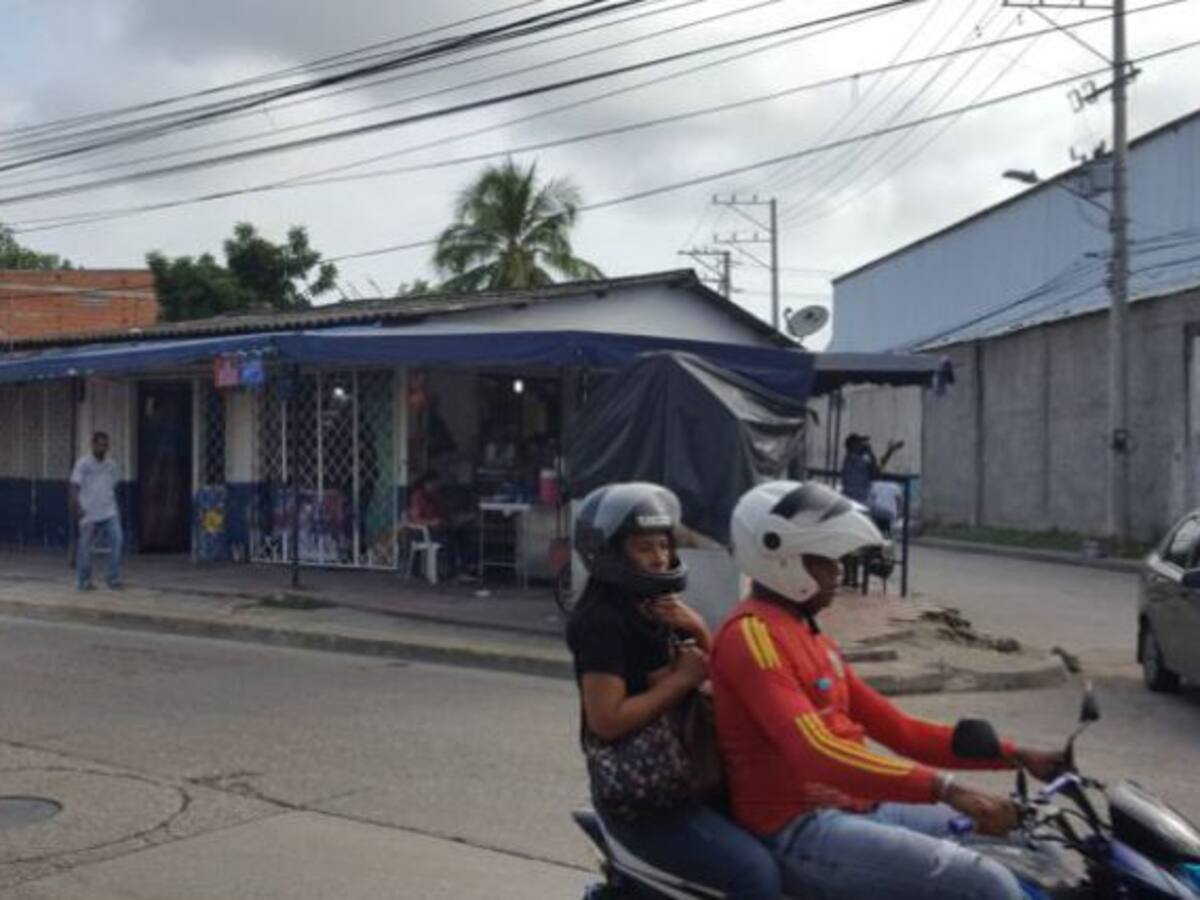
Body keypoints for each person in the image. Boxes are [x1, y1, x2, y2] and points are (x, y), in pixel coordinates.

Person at [711, 480, 1066, 900]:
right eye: (825, 560)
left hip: (859, 805)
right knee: (987, 884)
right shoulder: (752, 639)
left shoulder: (808, 634)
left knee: (1034, 842)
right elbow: (816, 752)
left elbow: (898, 729)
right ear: (782, 559)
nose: (838, 572)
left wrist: (1016, 755)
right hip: (801, 828)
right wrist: (949, 790)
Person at [566, 482, 781, 900]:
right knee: (756, 877)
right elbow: (607, 720)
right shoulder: (602, 621)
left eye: (663, 545)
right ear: (609, 551)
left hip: (689, 776)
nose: (660, 557)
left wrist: (698, 629)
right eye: (644, 547)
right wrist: (681, 679)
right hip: (644, 797)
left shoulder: (655, 607)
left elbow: (718, 679)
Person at [70, 431, 123, 591]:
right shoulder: (83, 464)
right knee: (85, 546)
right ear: (93, 444)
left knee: (118, 540)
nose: (104, 448)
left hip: (109, 511)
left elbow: (115, 484)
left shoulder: (111, 464)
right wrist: (78, 507)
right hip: (89, 512)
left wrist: (113, 504)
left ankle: (112, 577)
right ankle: (83, 580)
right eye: (101, 445)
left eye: (106, 445)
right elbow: (74, 486)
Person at [407, 469, 474, 577]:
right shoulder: (417, 496)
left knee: (463, 534)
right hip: (425, 533)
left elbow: (445, 514)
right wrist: (431, 522)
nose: (436, 486)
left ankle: (464, 568)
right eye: (433, 483)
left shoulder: (436, 496)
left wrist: (460, 519)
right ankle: (450, 570)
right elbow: (415, 519)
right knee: (449, 540)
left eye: (437, 484)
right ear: (426, 483)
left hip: (441, 528)